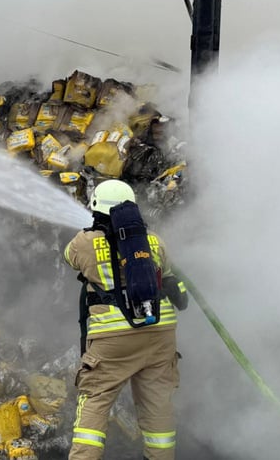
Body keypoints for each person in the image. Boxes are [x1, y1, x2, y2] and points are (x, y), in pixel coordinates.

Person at [62, 178, 188, 460]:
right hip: (160, 333)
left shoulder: (84, 242)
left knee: (95, 400)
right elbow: (167, 271)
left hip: (113, 338)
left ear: (97, 208)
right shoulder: (153, 240)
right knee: (158, 407)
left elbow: (68, 258)